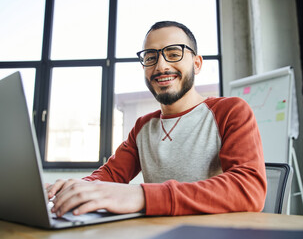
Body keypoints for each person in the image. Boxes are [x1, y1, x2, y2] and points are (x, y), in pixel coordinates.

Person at [47, 21, 267, 217]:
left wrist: (141, 196)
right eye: (151, 57)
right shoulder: (143, 126)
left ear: (197, 64)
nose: (161, 66)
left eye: (173, 54)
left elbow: (248, 188)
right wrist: (76, 187)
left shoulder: (230, 111)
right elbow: (110, 175)